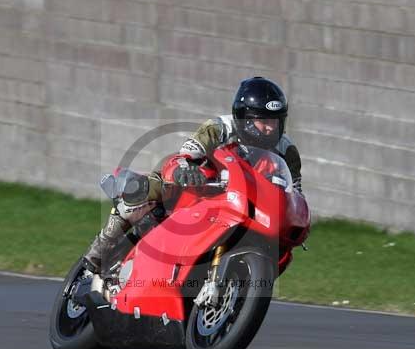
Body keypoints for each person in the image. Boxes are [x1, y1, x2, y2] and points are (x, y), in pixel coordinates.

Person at [83, 76, 303, 274]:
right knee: (152, 187)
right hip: (202, 184)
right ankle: (102, 245)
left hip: (242, 204)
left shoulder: (287, 150)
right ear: (245, 119)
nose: (269, 129)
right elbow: (189, 151)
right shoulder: (219, 128)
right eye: (263, 121)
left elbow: (294, 190)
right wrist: (186, 168)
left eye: (274, 122)